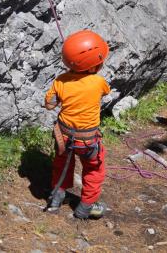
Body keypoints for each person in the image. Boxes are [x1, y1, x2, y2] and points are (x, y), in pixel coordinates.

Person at [44, 30, 110, 219]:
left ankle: (56, 199)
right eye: (99, 61)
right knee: (93, 170)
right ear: (92, 66)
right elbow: (105, 92)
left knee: (61, 164)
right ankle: (85, 208)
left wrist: (62, 86)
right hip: (88, 140)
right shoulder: (98, 82)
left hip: (63, 136)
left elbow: (49, 105)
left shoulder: (61, 81)